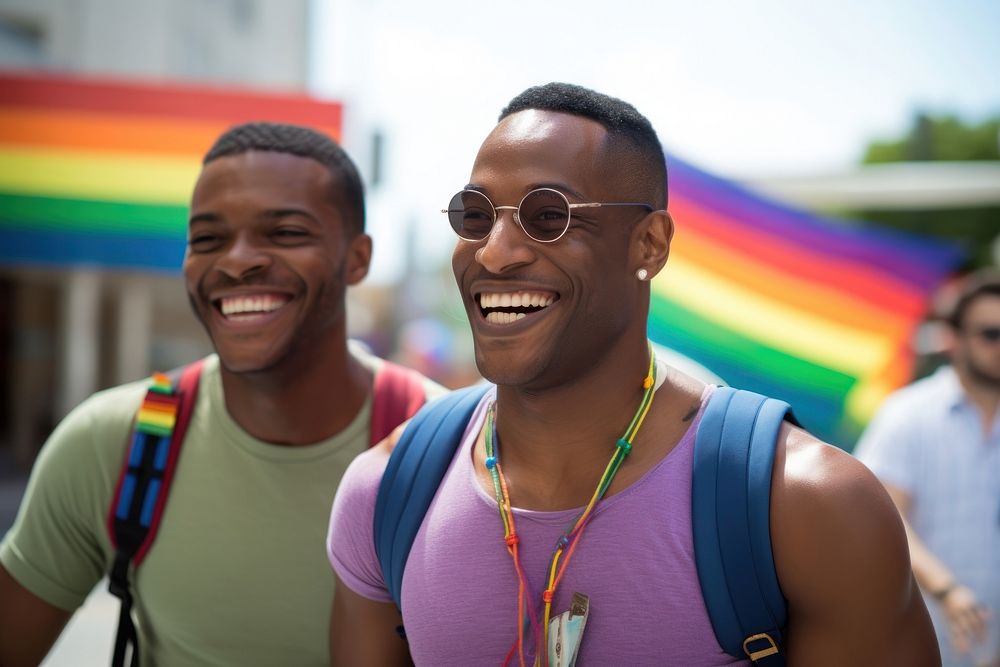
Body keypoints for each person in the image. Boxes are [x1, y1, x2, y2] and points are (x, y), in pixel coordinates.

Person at [326, 82, 939, 666]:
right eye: (475, 214)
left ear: (649, 244)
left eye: (548, 216)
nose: (494, 251)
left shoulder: (808, 506)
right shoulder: (389, 489)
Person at [0, 122, 443, 665]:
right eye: (207, 239)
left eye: (284, 233)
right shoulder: (113, 441)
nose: (235, 261)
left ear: (358, 259)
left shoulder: (448, 452)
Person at [855, 270, 1000, 667]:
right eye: (990, 334)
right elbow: (885, 515)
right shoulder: (908, 413)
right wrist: (949, 591)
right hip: (925, 636)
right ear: (953, 339)